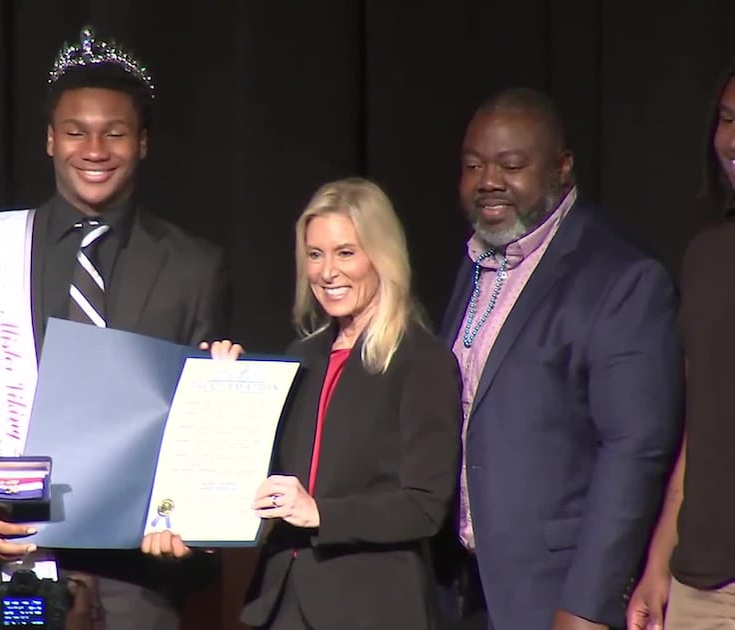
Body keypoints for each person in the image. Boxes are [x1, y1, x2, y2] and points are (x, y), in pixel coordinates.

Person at [0, 26, 230, 630]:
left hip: (138, 571)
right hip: (16, 554)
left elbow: (203, 414)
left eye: (114, 133)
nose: (93, 148)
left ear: (143, 143)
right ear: (50, 140)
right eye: (75, 132)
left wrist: (192, 513)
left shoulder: (193, 265)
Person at [144, 178, 464, 629]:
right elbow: (260, 477)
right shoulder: (301, 358)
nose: (327, 272)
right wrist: (222, 394)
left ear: (382, 255)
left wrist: (319, 513)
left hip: (372, 610)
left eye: (345, 252)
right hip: (280, 604)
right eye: (315, 254)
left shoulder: (421, 362)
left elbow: (424, 506)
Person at [438, 87, 684, 630]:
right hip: (466, 588)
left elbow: (636, 449)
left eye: (512, 164)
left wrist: (588, 604)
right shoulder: (478, 261)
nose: (488, 181)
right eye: (474, 165)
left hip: (556, 597)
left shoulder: (620, 278)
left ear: (562, 168)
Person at [626, 69, 735, 630]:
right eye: (727, 119)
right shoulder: (707, 256)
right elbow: (701, 427)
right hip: (701, 584)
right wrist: (659, 562)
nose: (733, 141)